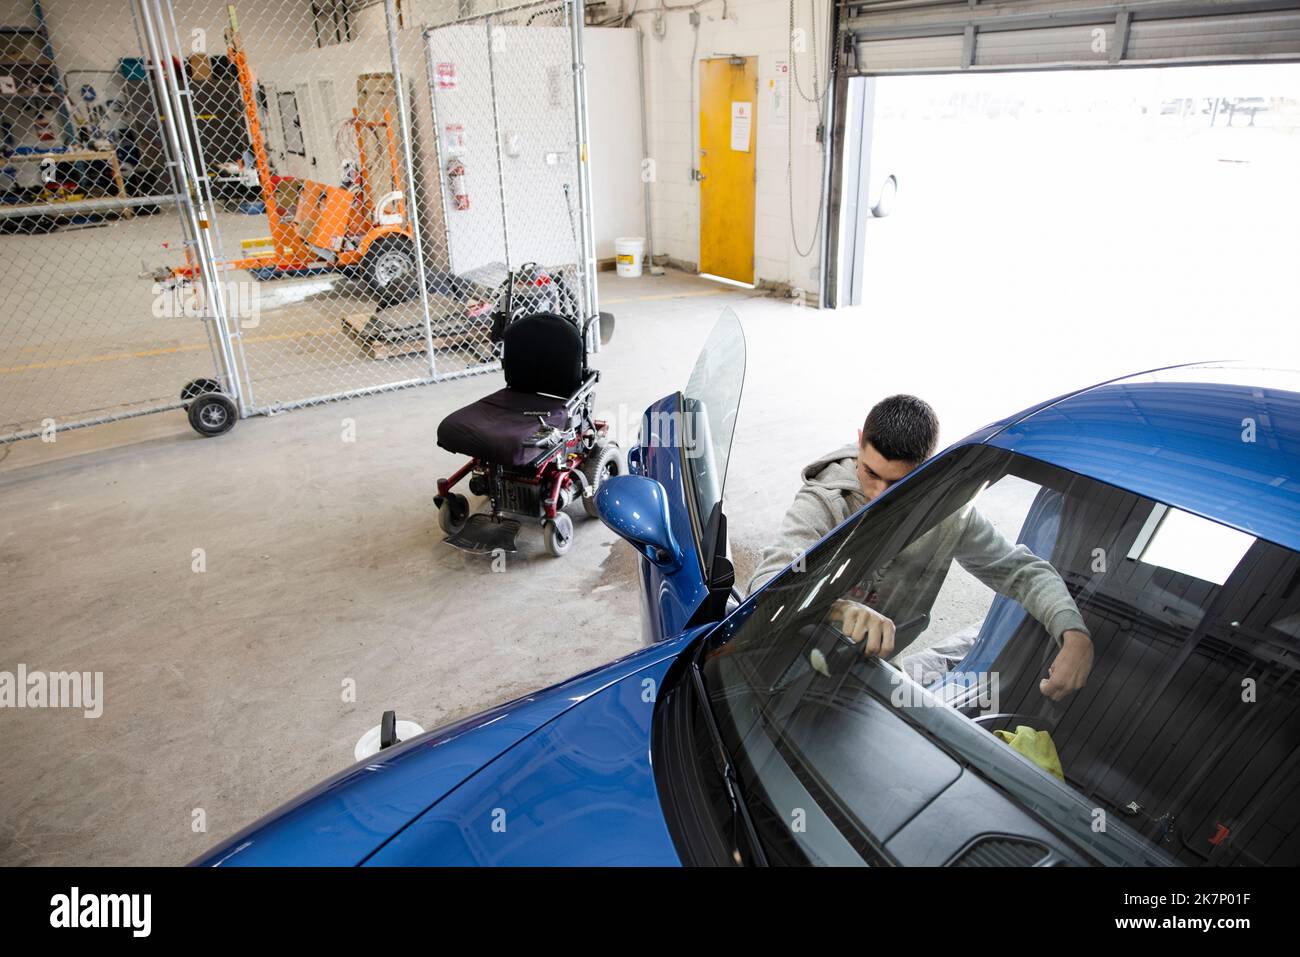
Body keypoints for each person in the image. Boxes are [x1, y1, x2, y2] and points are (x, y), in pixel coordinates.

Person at [747, 394, 1094, 701]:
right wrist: (836, 608)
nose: (878, 494)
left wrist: (1074, 633)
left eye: (897, 482)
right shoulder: (825, 500)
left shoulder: (947, 515)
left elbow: (1021, 572)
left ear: (927, 469)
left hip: (874, 670)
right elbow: (764, 586)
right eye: (869, 472)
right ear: (859, 442)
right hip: (792, 660)